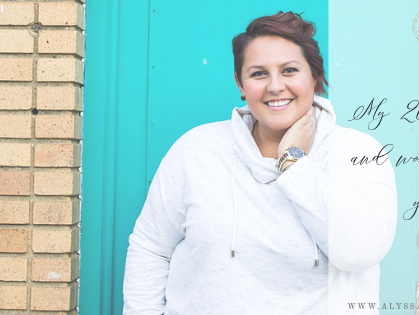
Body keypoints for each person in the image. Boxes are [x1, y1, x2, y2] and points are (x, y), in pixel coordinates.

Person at [123, 11, 397, 315]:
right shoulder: (195, 150)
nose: (275, 86)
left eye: (290, 70)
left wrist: (294, 163)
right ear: (240, 84)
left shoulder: (358, 152)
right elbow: (151, 249)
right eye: (258, 74)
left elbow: (361, 252)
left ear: (315, 77)